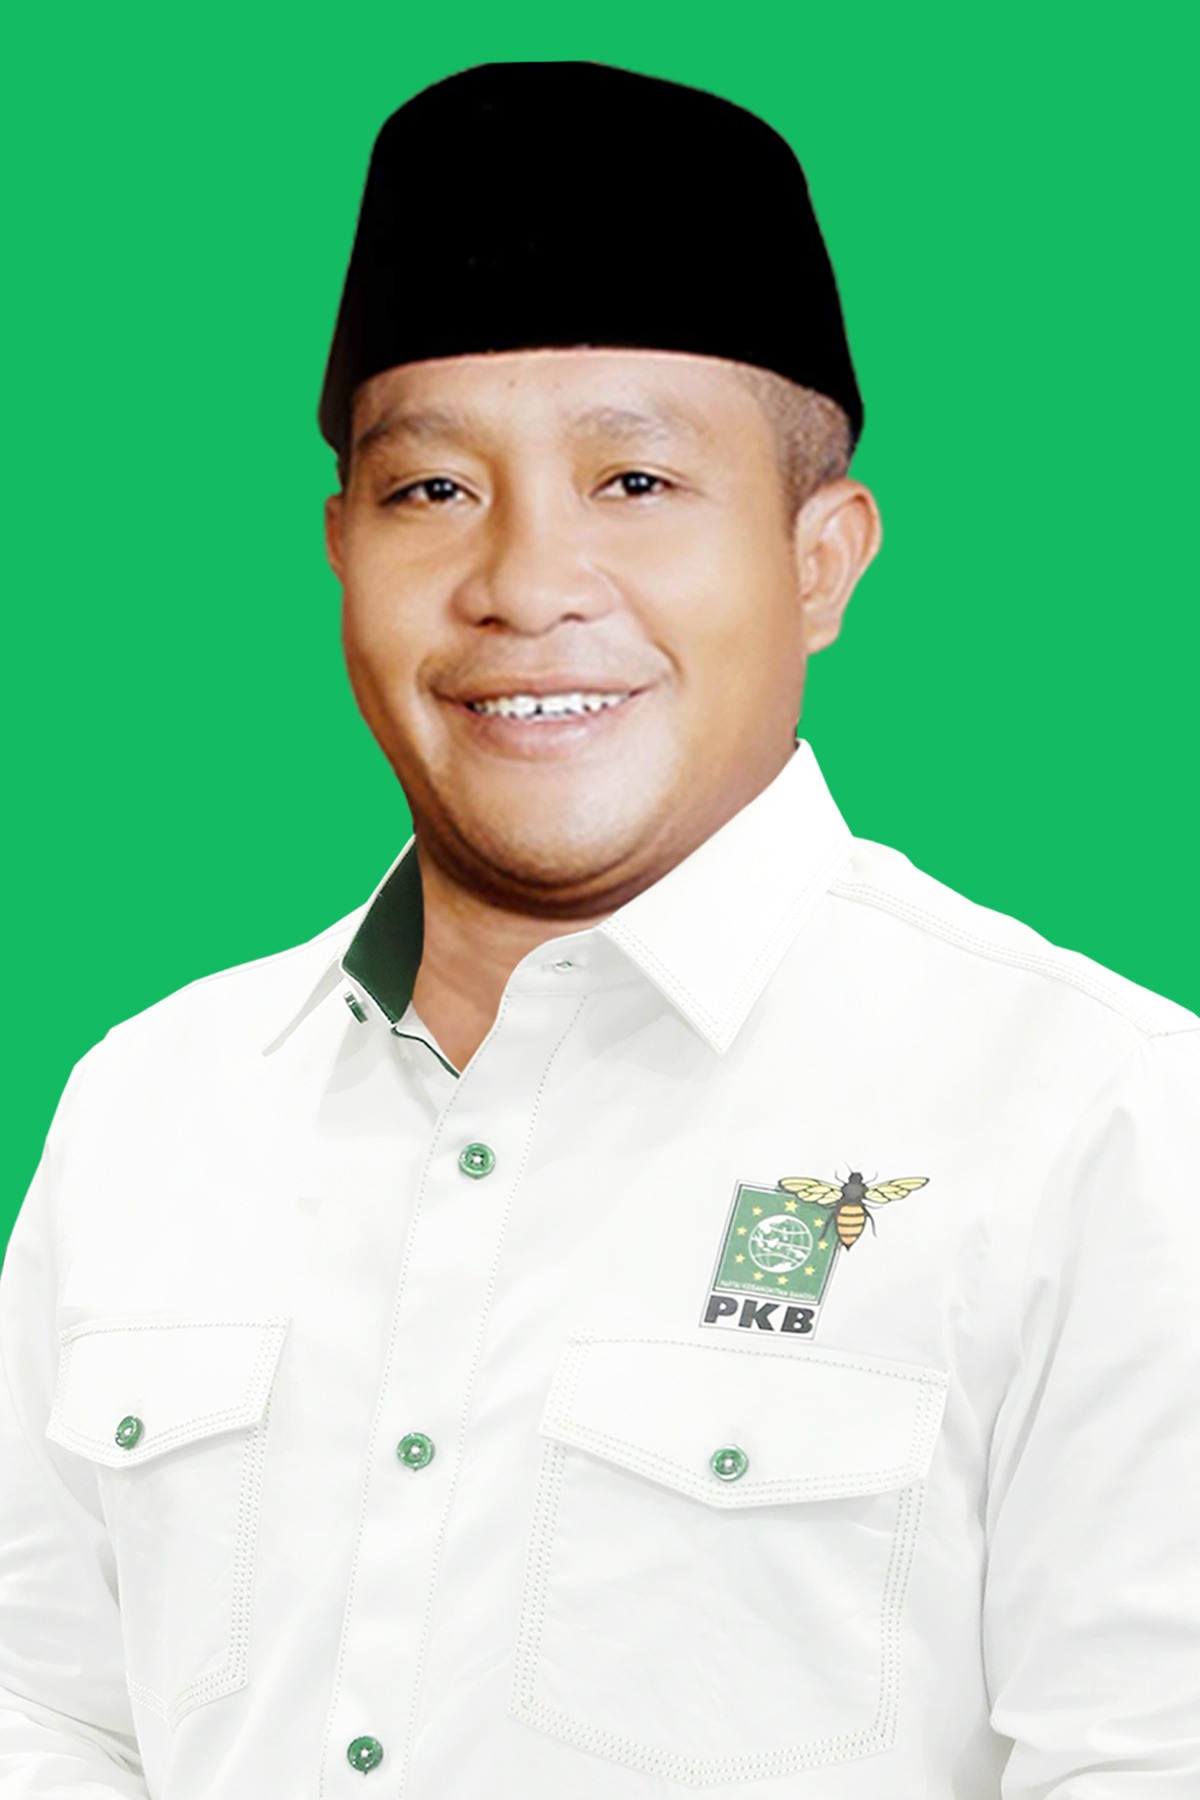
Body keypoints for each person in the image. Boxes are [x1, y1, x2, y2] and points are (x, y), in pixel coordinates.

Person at [1, 58, 1197, 1800]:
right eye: (432, 491)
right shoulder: (151, 1103)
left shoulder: (1105, 1117)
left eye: (634, 482)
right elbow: (43, 1714)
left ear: (823, 558)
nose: (526, 585)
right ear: (338, 549)